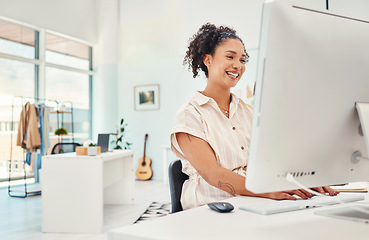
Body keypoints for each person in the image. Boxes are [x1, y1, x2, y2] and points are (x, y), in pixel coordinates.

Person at [170, 23, 339, 210]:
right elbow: (212, 173)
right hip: (209, 209)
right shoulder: (189, 115)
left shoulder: (248, 112)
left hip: (251, 201)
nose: (238, 65)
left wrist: (303, 180)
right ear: (207, 60)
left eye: (242, 60)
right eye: (230, 57)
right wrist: (266, 191)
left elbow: (270, 161)